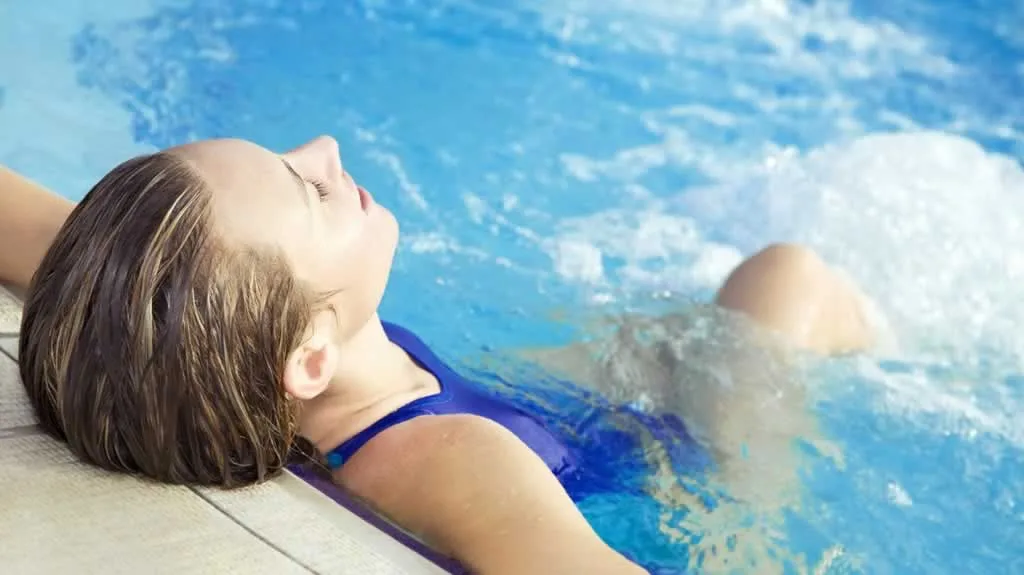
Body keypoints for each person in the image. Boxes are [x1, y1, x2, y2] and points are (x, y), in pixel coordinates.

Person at [0, 136, 874, 575]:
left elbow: (45, 229)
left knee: (704, 310)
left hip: (568, 407)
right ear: (307, 357)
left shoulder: (159, 316)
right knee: (785, 280)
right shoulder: (448, 458)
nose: (326, 151)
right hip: (674, 471)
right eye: (309, 189)